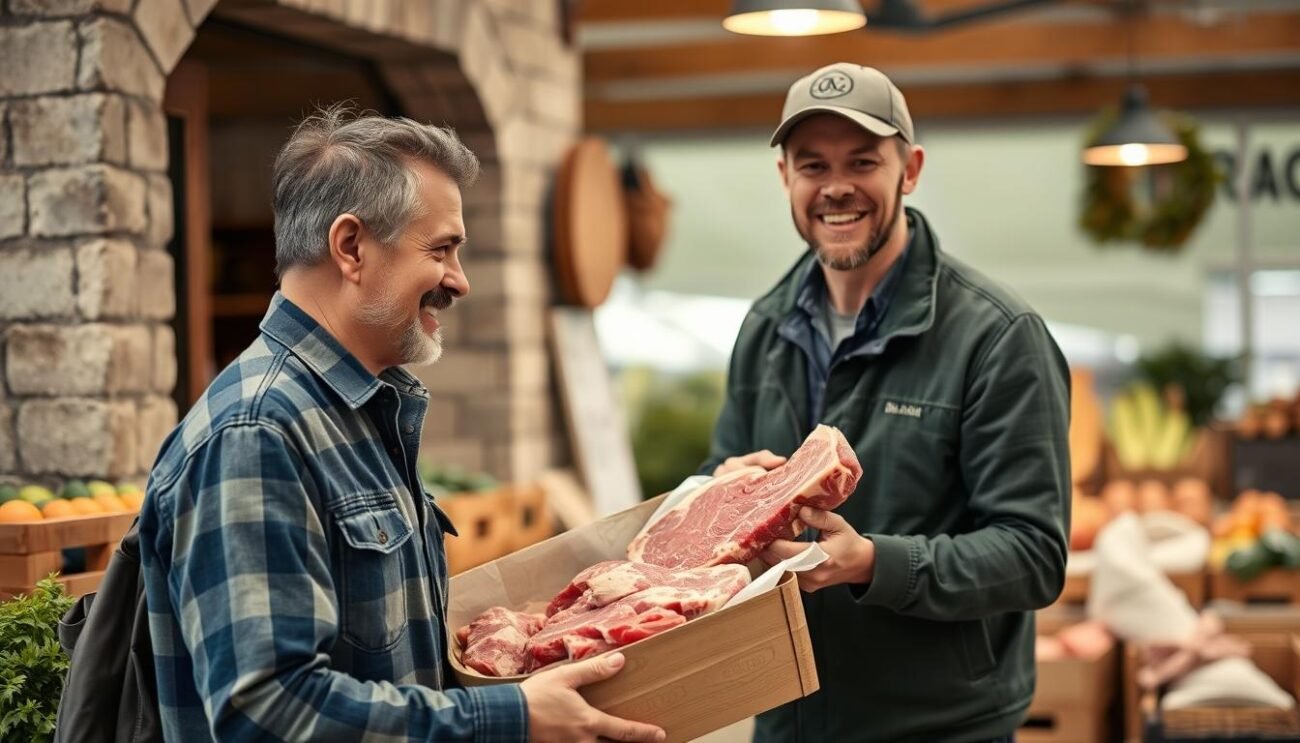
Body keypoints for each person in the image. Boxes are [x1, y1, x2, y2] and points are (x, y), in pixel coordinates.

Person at [137, 107, 665, 743]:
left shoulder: (353, 412)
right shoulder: (255, 434)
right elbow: (268, 714)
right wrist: (510, 718)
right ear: (351, 247)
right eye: (441, 249)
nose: (460, 282)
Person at [702, 63, 1071, 742]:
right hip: (789, 716)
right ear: (785, 176)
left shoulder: (996, 337)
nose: (836, 186)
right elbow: (715, 487)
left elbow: (1033, 555)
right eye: (812, 165)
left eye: (863, 161)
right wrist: (723, 495)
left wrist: (874, 562)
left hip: (940, 725)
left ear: (911, 168)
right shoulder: (764, 328)